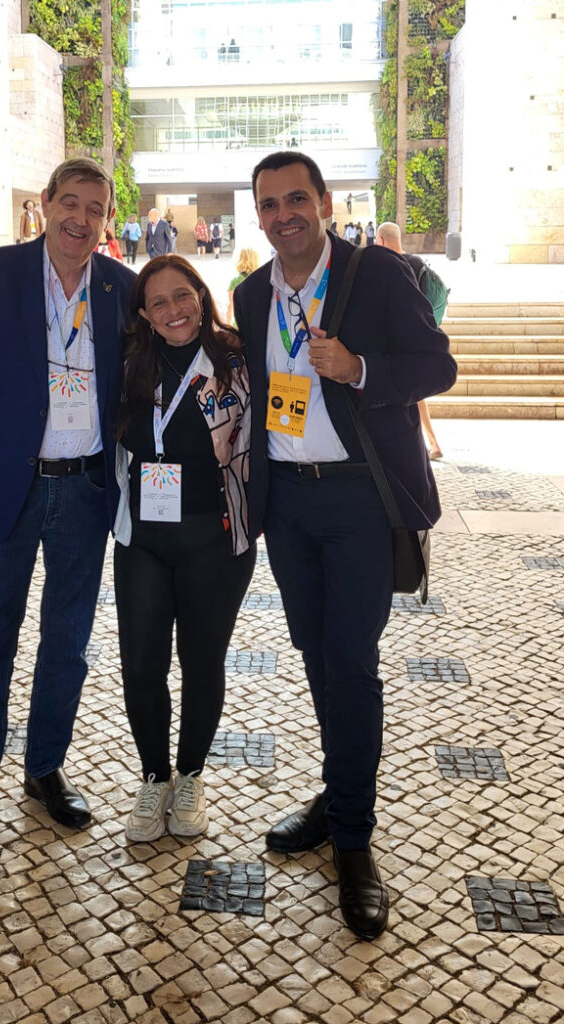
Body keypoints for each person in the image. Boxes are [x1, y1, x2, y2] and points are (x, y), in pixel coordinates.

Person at [233, 151, 456, 940]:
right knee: (316, 655)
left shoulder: (375, 274)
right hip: (289, 506)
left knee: (351, 661)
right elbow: (257, 397)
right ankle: (336, 796)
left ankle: (354, 840)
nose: (284, 213)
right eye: (269, 203)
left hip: (360, 499)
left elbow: (439, 366)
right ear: (256, 215)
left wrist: (358, 367)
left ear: (323, 203)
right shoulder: (251, 293)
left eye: (297, 198)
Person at [0, 157, 135, 875]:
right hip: (3, 492)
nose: (80, 219)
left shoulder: (120, 289)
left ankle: (44, 769)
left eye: (94, 208)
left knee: (68, 646)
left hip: (84, 492)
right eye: (68, 203)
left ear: (107, 219)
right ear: (44, 206)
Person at [113, 255, 255, 841]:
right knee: (142, 663)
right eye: (158, 302)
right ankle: (154, 776)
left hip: (214, 537)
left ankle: (190, 775)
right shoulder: (127, 364)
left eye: (182, 295)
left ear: (200, 294)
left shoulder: (236, 358)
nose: (173, 310)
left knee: (201, 663)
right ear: (143, 315)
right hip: (142, 537)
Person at [376, 221, 446, 459]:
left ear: (381, 240)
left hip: (404, 345)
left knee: (413, 395)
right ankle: (432, 443)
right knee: (416, 396)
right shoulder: (416, 262)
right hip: (421, 338)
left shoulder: (394, 266)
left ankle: (429, 444)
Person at [226, 247, 259, 323]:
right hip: (256, 323)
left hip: (239, 324)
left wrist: (227, 324)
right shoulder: (261, 279)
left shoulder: (235, 282)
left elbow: (231, 306)